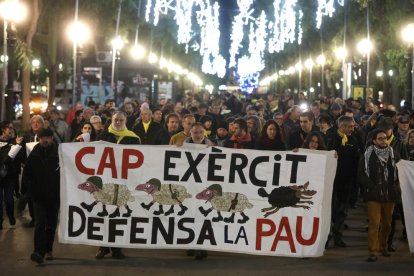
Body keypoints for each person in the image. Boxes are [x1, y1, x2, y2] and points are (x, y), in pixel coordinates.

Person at [95, 111, 141, 259]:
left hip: (123, 183)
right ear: (111, 120)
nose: (118, 122)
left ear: (125, 121)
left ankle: (116, 249)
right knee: (103, 215)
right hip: (106, 181)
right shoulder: (103, 137)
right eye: (116, 120)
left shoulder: (133, 138)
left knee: (118, 216)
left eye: (121, 120)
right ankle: (103, 247)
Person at [358, 129, 397, 262]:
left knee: (387, 224)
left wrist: (394, 187)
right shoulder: (367, 155)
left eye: (385, 138)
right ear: (374, 141)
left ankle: (383, 247)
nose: (383, 140)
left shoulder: (393, 153)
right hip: (374, 195)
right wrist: (372, 187)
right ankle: (373, 251)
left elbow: (400, 170)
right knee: (374, 224)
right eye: (380, 138)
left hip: (389, 195)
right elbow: (361, 174)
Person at [23, 128, 60, 264]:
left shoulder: (59, 154)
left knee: (51, 225)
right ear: (39, 139)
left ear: (51, 138)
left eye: (47, 137)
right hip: (38, 197)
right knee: (39, 224)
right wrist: (29, 192)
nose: (44, 140)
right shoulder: (34, 154)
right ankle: (38, 251)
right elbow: (27, 175)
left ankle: (48, 249)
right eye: (42, 137)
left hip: (54, 196)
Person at [326, 115, 360, 248]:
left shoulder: (353, 140)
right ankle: (326, 237)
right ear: (342, 127)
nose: (353, 129)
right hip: (332, 181)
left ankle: (338, 236)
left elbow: (356, 159)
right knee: (331, 210)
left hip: (346, 182)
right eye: (350, 126)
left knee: (342, 210)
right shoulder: (331, 138)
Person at [0, 121, 23, 230]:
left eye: (12, 128)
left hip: (9, 175)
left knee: (9, 199)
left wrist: (18, 145)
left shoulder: (15, 142)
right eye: (9, 127)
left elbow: (19, 159)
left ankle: (10, 215)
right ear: (3, 129)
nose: (11, 130)